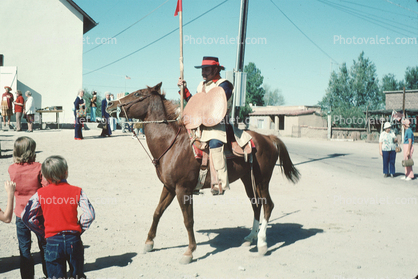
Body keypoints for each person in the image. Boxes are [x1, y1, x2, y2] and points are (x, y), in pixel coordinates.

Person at [21, 155, 95, 279]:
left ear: (44, 176)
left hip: (52, 239)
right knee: (77, 275)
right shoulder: (77, 191)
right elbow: (90, 214)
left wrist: (41, 231)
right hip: (73, 239)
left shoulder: (40, 194)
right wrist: (79, 229)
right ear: (66, 172)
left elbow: (26, 216)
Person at [177, 56, 235, 195]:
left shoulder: (225, 84)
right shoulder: (201, 85)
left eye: (206, 69)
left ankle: (220, 183)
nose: (203, 73)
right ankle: (194, 181)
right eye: (202, 69)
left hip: (218, 125)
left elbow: (216, 103)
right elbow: (194, 103)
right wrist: (184, 90)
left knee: (215, 144)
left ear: (216, 69)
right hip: (201, 125)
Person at [9, 136, 48, 279]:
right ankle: (48, 273)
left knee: (24, 248)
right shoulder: (39, 167)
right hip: (38, 212)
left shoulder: (12, 169)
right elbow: (45, 187)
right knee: (44, 244)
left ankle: (27, 276)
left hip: (21, 213)